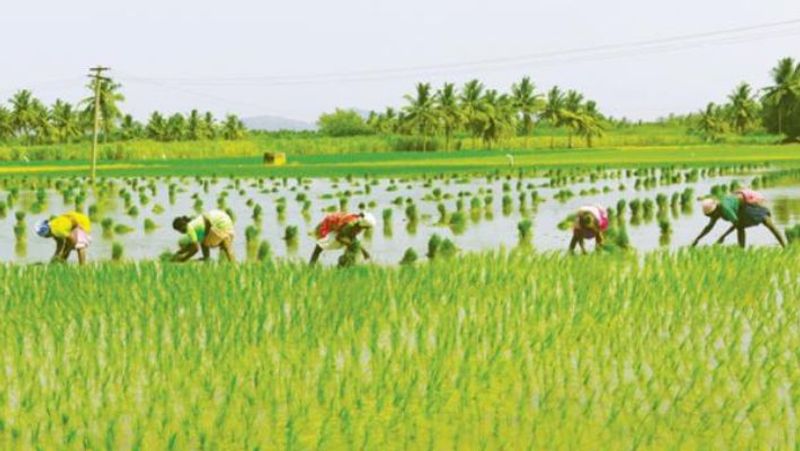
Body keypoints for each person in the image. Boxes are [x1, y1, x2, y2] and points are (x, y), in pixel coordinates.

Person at [692, 191, 786, 248]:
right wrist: (697, 239)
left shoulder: (725, 209)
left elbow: (736, 224)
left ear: (715, 211)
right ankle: (742, 251)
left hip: (749, 200)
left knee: (766, 221)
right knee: (740, 227)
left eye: (712, 215)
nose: (712, 218)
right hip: (739, 203)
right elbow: (708, 227)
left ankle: (785, 246)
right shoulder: (716, 210)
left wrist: (723, 236)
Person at [309, 212, 376, 265]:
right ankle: (311, 267)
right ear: (364, 224)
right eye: (366, 227)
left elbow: (353, 237)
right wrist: (351, 244)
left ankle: (344, 265)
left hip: (339, 227)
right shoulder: (350, 225)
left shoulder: (358, 225)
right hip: (329, 225)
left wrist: (364, 251)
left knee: (352, 246)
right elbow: (339, 237)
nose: (366, 229)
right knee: (319, 247)